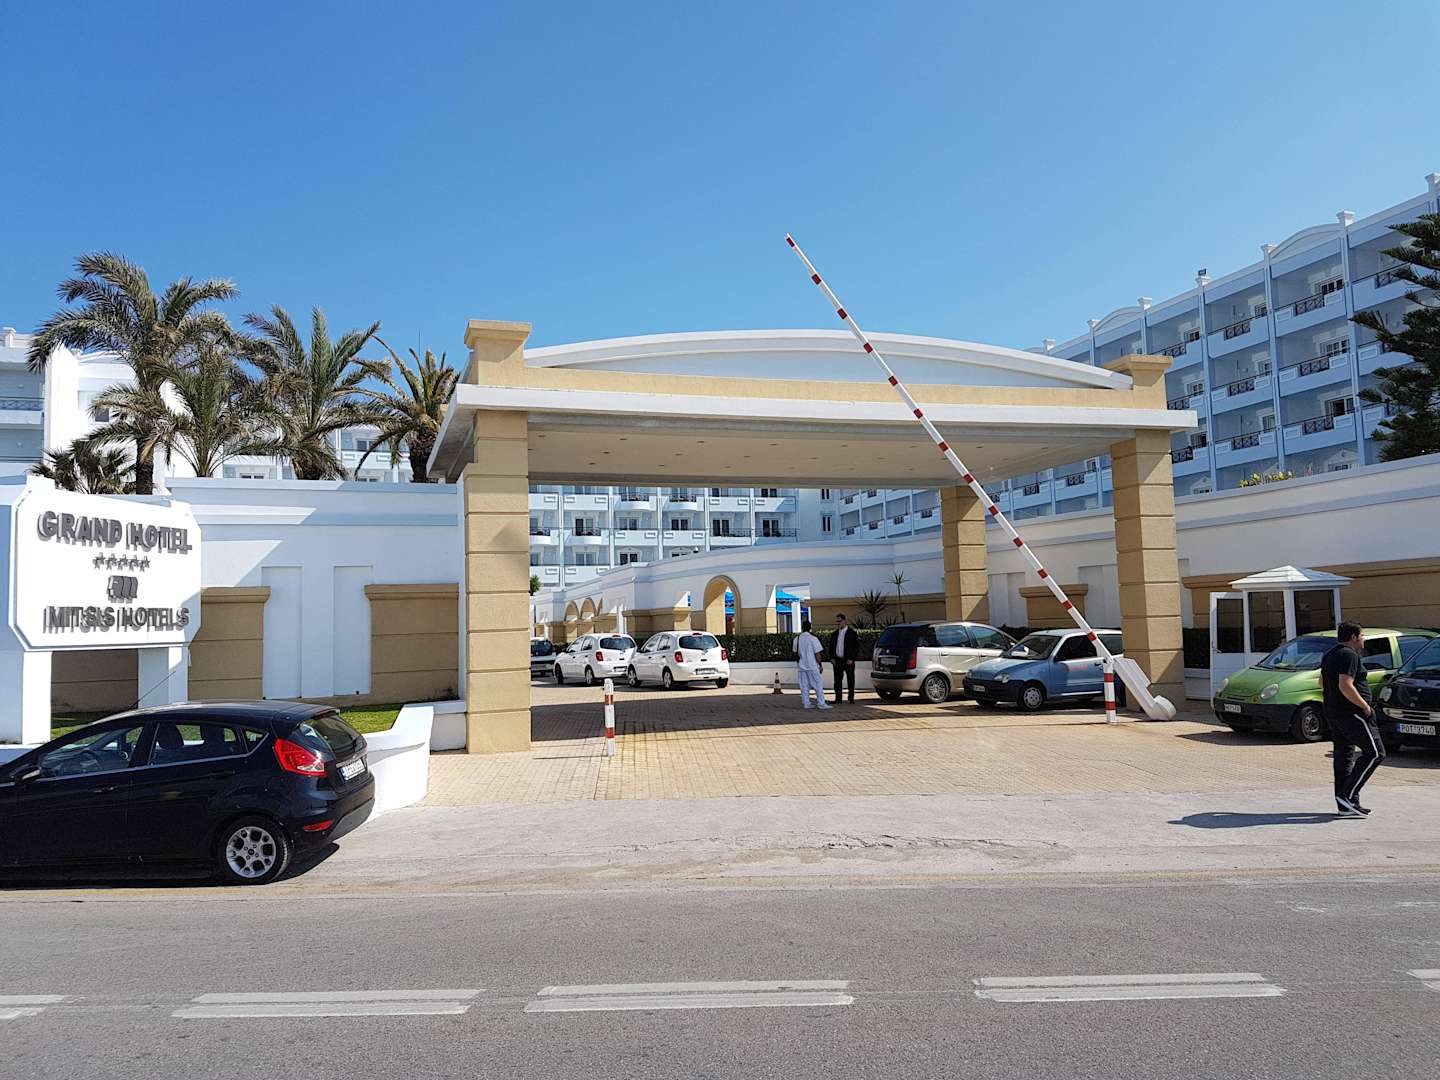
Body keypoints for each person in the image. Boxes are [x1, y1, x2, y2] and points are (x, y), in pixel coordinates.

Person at [1321, 621, 1384, 817]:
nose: (1364, 639)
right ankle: (1347, 795)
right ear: (1354, 637)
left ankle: (1346, 806)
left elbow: (1322, 682)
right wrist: (1365, 707)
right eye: (1362, 635)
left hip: (1334, 712)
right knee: (1375, 753)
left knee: (1344, 756)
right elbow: (1345, 685)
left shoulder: (1330, 654)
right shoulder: (1349, 655)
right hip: (1352, 713)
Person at [794, 620, 830, 710]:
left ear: (802, 628)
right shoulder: (813, 639)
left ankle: (806, 704)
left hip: (802, 666)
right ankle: (821, 703)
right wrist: (820, 665)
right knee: (818, 685)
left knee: (804, 686)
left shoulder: (796, 639)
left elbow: (796, 653)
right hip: (813, 666)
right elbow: (817, 654)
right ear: (810, 628)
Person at [831, 613, 860, 705]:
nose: (838, 623)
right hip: (838, 660)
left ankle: (851, 698)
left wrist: (851, 658)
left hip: (848, 660)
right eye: (837, 621)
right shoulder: (834, 634)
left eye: (839, 621)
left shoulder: (852, 633)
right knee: (837, 680)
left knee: (850, 679)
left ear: (844, 621)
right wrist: (832, 658)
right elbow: (831, 647)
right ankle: (838, 699)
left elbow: (856, 647)